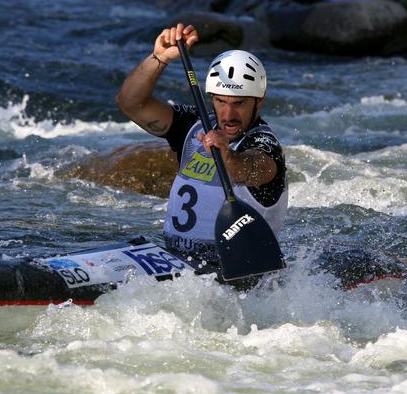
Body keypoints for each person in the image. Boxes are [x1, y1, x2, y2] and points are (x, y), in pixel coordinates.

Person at [116, 23, 288, 267]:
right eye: (220, 101)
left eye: (239, 104)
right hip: (176, 260)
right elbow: (130, 102)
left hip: (230, 268)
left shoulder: (264, 143)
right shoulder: (193, 126)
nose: (228, 115)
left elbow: (251, 169)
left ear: (258, 101)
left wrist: (227, 154)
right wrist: (159, 58)